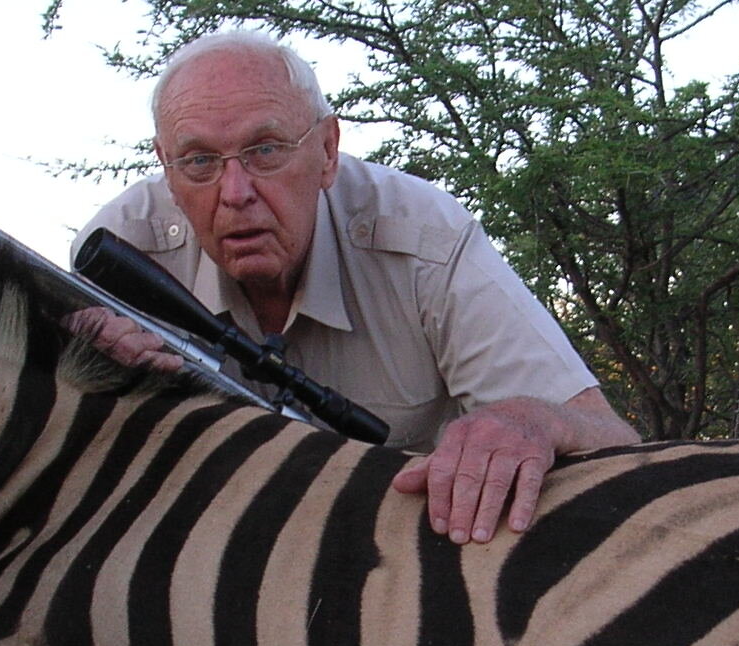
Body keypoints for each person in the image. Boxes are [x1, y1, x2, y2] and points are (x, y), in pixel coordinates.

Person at [72, 29, 637, 544]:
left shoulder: (424, 238)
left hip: (402, 558)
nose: (235, 191)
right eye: (198, 161)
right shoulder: (116, 254)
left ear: (327, 150)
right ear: (164, 167)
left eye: (265, 150)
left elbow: (611, 437)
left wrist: (537, 420)